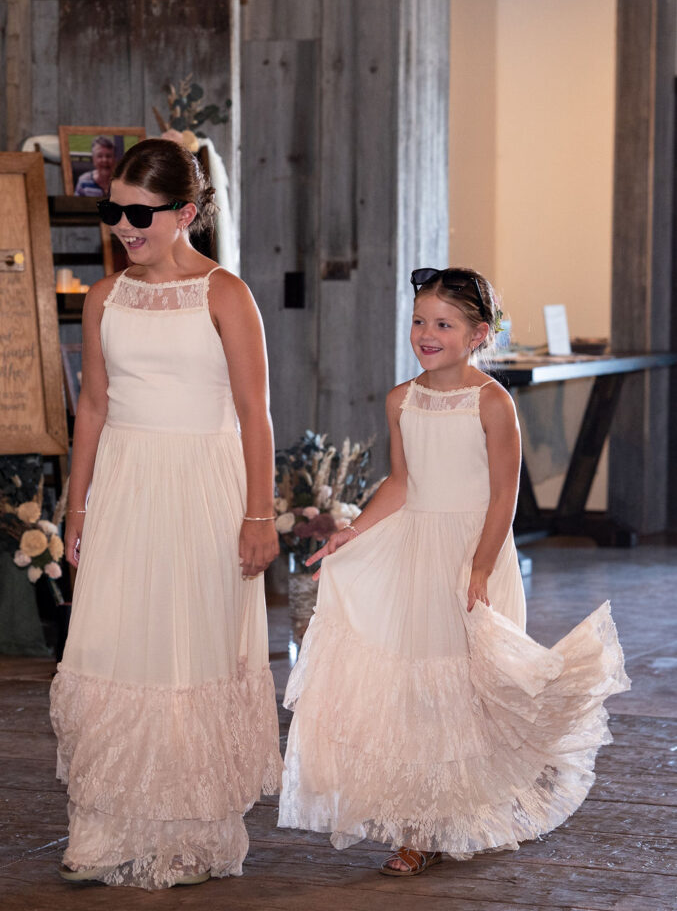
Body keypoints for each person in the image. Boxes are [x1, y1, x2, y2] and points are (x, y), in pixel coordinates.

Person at [278, 267, 629, 876]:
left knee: (468, 692)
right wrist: (353, 532)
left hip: (471, 552)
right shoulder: (401, 398)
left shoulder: (492, 402)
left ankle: (459, 815)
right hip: (415, 550)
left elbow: (504, 493)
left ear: (477, 335)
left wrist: (480, 566)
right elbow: (403, 482)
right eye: (419, 321)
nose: (426, 333)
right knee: (418, 689)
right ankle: (416, 828)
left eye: (443, 324)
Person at [51, 138, 282, 889]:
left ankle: (192, 832)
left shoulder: (225, 293)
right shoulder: (103, 296)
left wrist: (258, 515)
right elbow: (92, 404)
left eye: (140, 213)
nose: (123, 226)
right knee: (114, 647)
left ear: (184, 213)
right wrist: (74, 502)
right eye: (114, 210)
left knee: (190, 654)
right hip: (124, 483)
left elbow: (255, 413)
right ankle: (106, 827)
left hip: (202, 490)